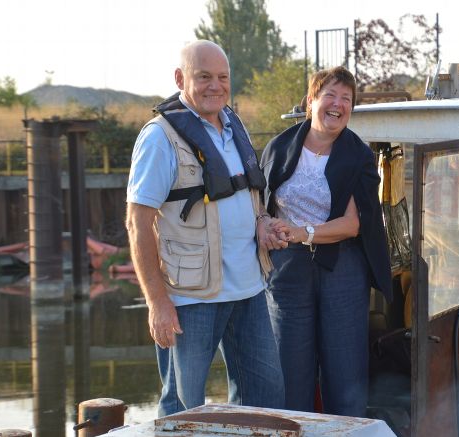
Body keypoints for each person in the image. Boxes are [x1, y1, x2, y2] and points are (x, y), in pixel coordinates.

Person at [125, 40, 285, 417]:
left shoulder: (234, 124)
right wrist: (157, 303)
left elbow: (247, 197)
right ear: (181, 78)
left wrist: (261, 223)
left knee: (264, 400)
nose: (216, 85)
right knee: (182, 408)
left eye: (223, 77)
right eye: (204, 77)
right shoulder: (159, 137)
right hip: (189, 297)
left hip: (248, 288)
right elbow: (137, 223)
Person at [260, 66, 393, 417]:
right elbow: (260, 205)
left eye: (346, 99)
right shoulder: (279, 146)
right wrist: (266, 226)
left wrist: (305, 233)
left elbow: (353, 224)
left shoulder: (359, 155)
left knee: (344, 371)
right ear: (311, 101)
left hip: (343, 267)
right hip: (287, 268)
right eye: (329, 95)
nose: (337, 104)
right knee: (290, 370)